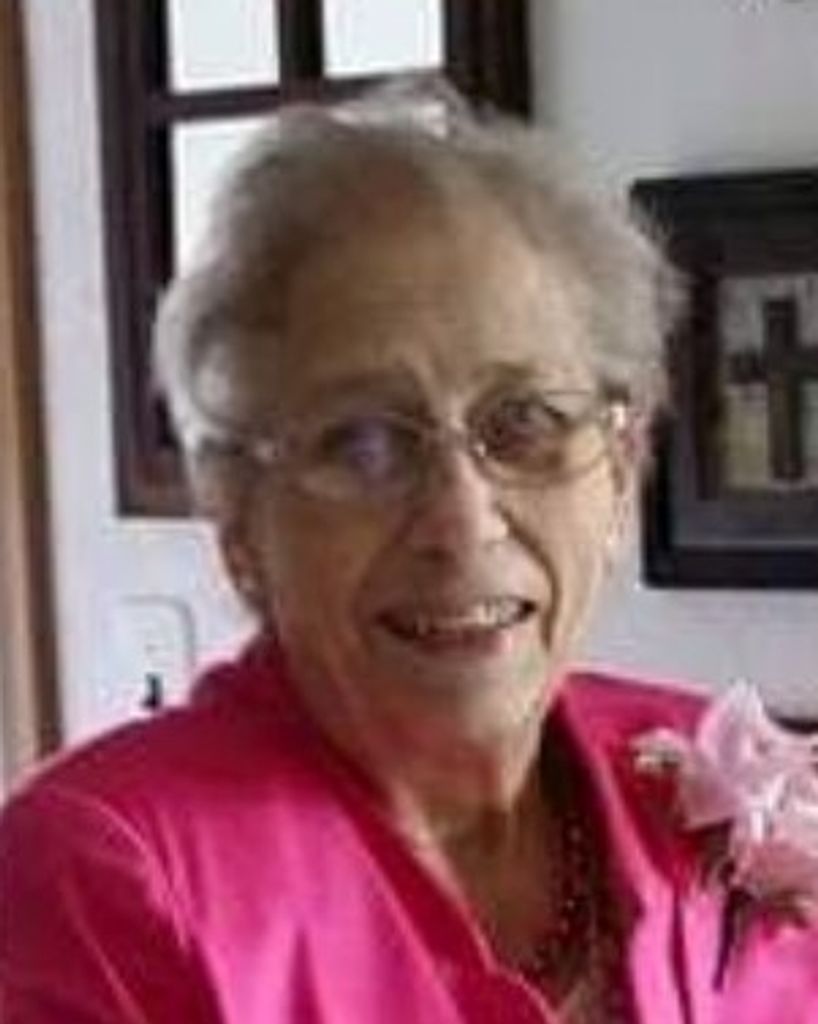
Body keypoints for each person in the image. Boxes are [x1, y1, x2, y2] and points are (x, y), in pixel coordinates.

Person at [1, 82, 816, 1024]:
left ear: (622, 472)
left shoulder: (714, 779)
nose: (461, 519)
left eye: (525, 422)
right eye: (362, 443)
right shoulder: (108, 872)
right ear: (238, 520)